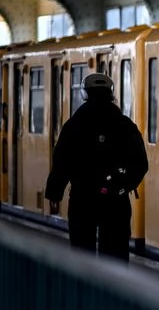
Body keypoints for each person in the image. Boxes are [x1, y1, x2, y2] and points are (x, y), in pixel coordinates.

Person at [45, 72, 148, 261]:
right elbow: (141, 163)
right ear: (110, 93)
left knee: (82, 253)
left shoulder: (74, 125)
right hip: (115, 200)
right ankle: (112, 289)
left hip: (82, 198)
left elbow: (62, 162)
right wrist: (125, 184)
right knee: (115, 254)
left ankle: (85, 289)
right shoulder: (124, 125)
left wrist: (54, 193)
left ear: (85, 94)